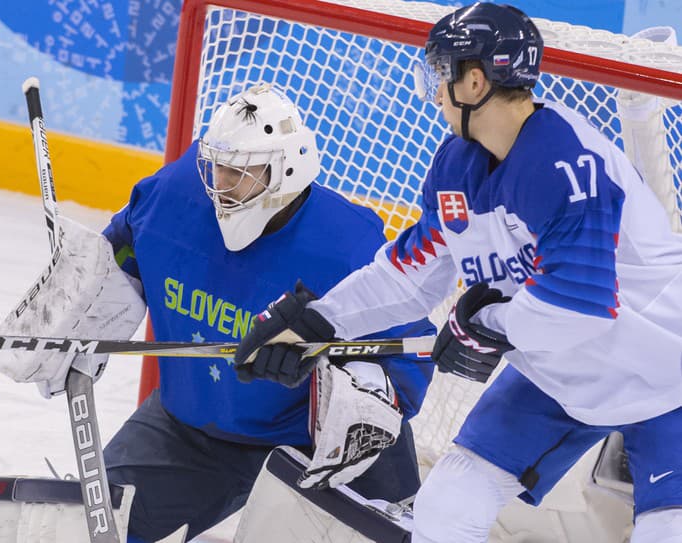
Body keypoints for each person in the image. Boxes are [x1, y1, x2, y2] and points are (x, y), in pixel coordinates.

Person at [234, 4, 682, 543]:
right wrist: (318, 322)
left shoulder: (568, 163)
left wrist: (488, 324)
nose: (435, 92)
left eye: (440, 73)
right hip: (558, 380)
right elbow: (409, 276)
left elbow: (579, 306)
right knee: (445, 508)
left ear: (475, 81)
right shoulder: (457, 168)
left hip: (667, 379)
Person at [0, 84, 434, 542]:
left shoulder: (348, 246)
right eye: (217, 166)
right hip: (187, 432)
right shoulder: (173, 198)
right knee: (80, 535)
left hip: (312, 450)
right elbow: (120, 255)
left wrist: (344, 389)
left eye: (241, 172)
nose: (221, 183)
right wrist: (75, 306)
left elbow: (411, 353)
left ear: (287, 169)